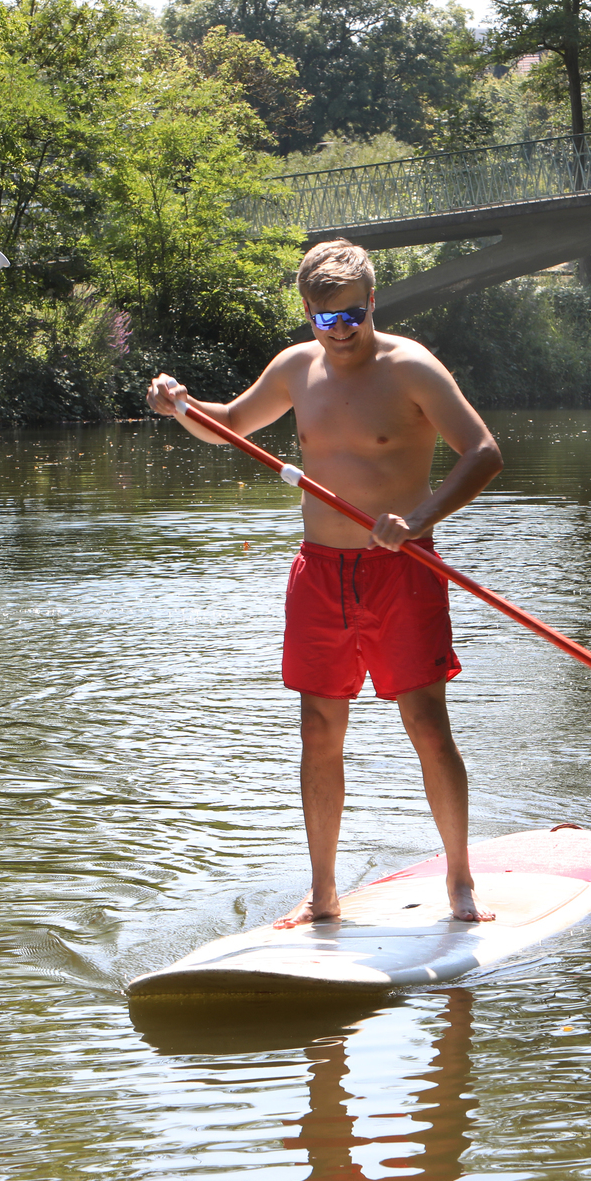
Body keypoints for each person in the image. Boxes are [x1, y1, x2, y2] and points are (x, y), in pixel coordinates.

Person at [146, 239, 504, 926]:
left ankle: (461, 880)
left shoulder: (412, 369)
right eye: (323, 319)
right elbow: (230, 425)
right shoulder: (295, 368)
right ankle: (324, 893)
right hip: (320, 575)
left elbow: (483, 452)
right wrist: (183, 405)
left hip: (403, 569)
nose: (338, 333)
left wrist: (419, 517)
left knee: (427, 724)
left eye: (350, 317)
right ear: (307, 311)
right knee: (317, 728)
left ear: (372, 303)